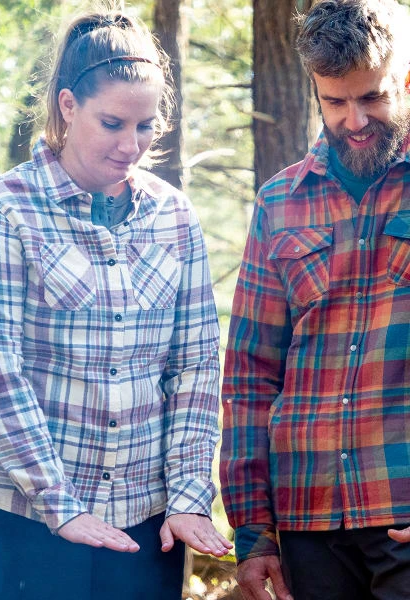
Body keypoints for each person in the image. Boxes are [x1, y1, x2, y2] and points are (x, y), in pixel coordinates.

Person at [0, 8, 232, 600]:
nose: (132, 145)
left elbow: (195, 366)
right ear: (67, 106)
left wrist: (188, 495)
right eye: (112, 123)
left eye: (146, 126)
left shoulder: (174, 215)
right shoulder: (3, 208)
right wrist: (61, 504)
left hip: (145, 521)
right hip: (23, 518)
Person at [220, 0, 410, 599]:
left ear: (404, 81)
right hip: (307, 518)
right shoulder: (278, 203)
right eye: (336, 102)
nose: (356, 120)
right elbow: (250, 374)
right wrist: (254, 532)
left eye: (373, 97)